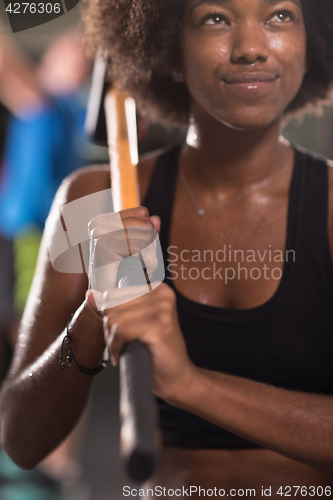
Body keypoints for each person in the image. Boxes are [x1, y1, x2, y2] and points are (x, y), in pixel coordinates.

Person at [1, 0, 333, 497]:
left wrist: (190, 385)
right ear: (170, 52)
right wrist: (94, 315)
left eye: (280, 16)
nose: (250, 48)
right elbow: (20, 439)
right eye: (216, 18)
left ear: (311, 48)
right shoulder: (93, 201)